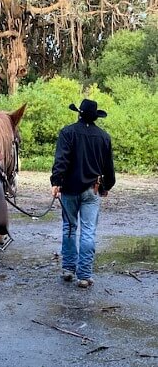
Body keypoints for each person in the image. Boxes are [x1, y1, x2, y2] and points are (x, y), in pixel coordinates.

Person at [50, 99, 116, 288]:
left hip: (69, 189)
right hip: (91, 190)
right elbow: (108, 168)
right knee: (88, 232)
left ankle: (69, 269)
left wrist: (56, 182)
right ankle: (85, 276)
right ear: (95, 117)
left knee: (70, 227)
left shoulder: (67, 132)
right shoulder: (104, 137)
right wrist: (106, 187)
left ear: (79, 113)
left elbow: (61, 160)